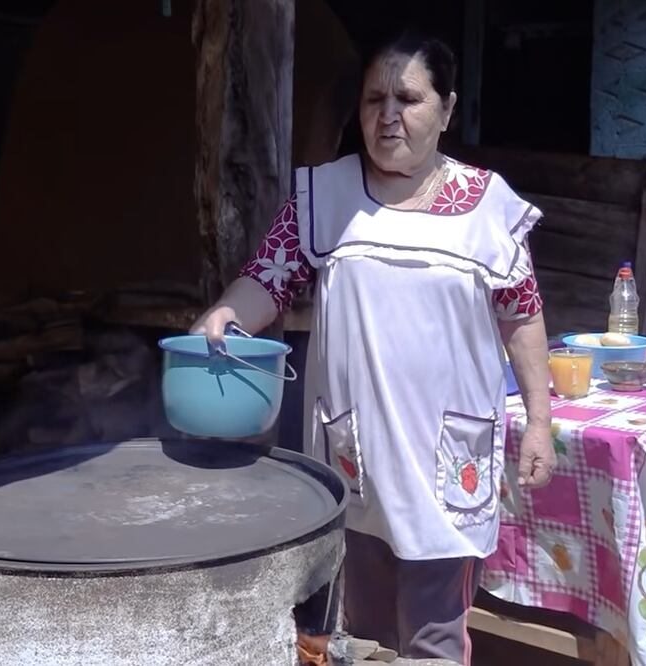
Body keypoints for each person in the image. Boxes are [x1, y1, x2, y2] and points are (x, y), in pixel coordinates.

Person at [190, 29, 555, 665]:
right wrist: (223, 315)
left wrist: (540, 423)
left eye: (408, 99)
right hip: (355, 451)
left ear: (446, 110)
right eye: (373, 99)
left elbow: (521, 316)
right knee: (359, 632)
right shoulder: (323, 198)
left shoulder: (488, 207)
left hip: (448, 457)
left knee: (434, 635)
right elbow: (267, 280)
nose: (387, 115)